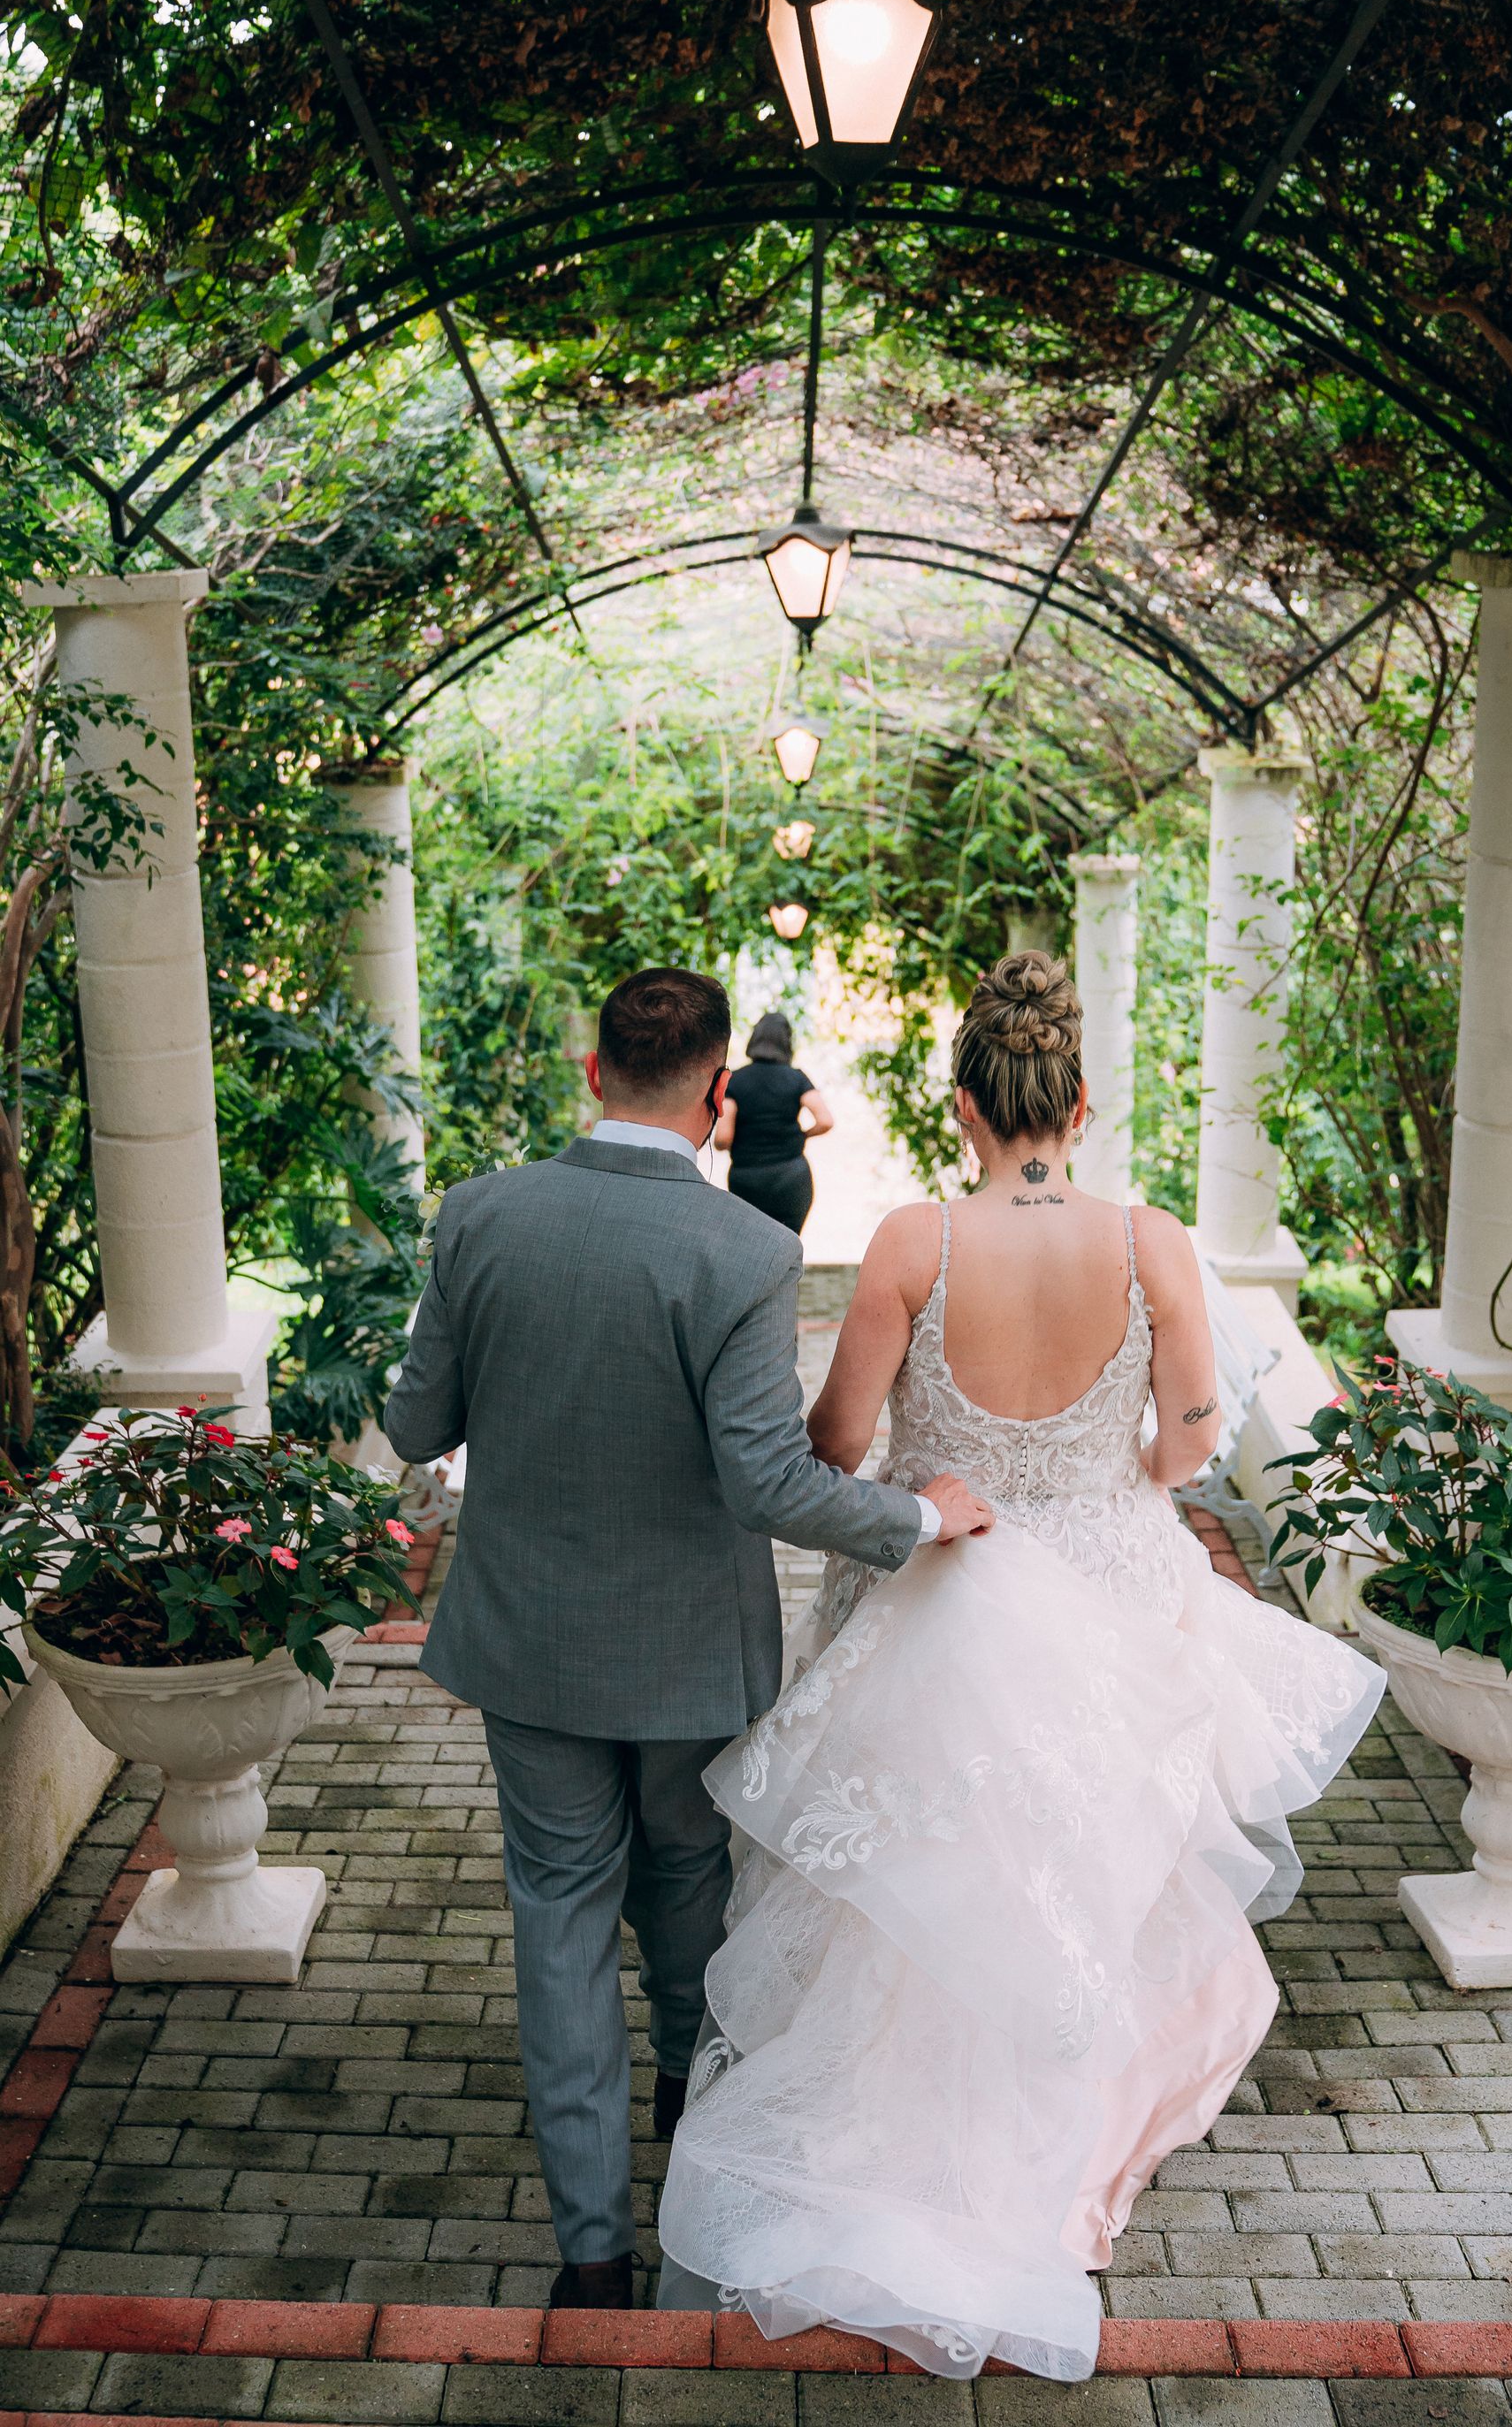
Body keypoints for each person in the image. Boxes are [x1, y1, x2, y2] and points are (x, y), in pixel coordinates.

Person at [658, 951, 1385, 2379]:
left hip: (945, 1582)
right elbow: (1187, 1445)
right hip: (1118, 1588)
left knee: (922, 1895)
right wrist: (1109, 1463)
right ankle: (1056, 2152)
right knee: (1098, 1877)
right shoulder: (1153, 1245)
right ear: (1082, 1099)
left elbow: (835, 1448)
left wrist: (950, 1471)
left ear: (962, 1106)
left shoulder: (912, 1245)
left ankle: (913, 2150)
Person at [384, 966, 994, 2315]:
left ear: (592, 1073)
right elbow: (771, 1483)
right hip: (688, 1659)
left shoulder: (479, 1218)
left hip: (527, 1651)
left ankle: (593, 2258)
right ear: (720, 1099)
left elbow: (418, 1428)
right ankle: (689, 2123)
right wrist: (919, 1514)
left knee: (557, 1923)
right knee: (687, 1892)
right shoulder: (743, 1253)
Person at [714, 1009, 833, 1233]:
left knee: (749, 1247)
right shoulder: (796, 1078)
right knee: (789, 1247)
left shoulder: (736, 1081)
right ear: (787, 1042)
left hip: (747, 1180)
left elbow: (723, 1138)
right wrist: (803, 1134)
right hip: (791, 1177)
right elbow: (825, 1120)